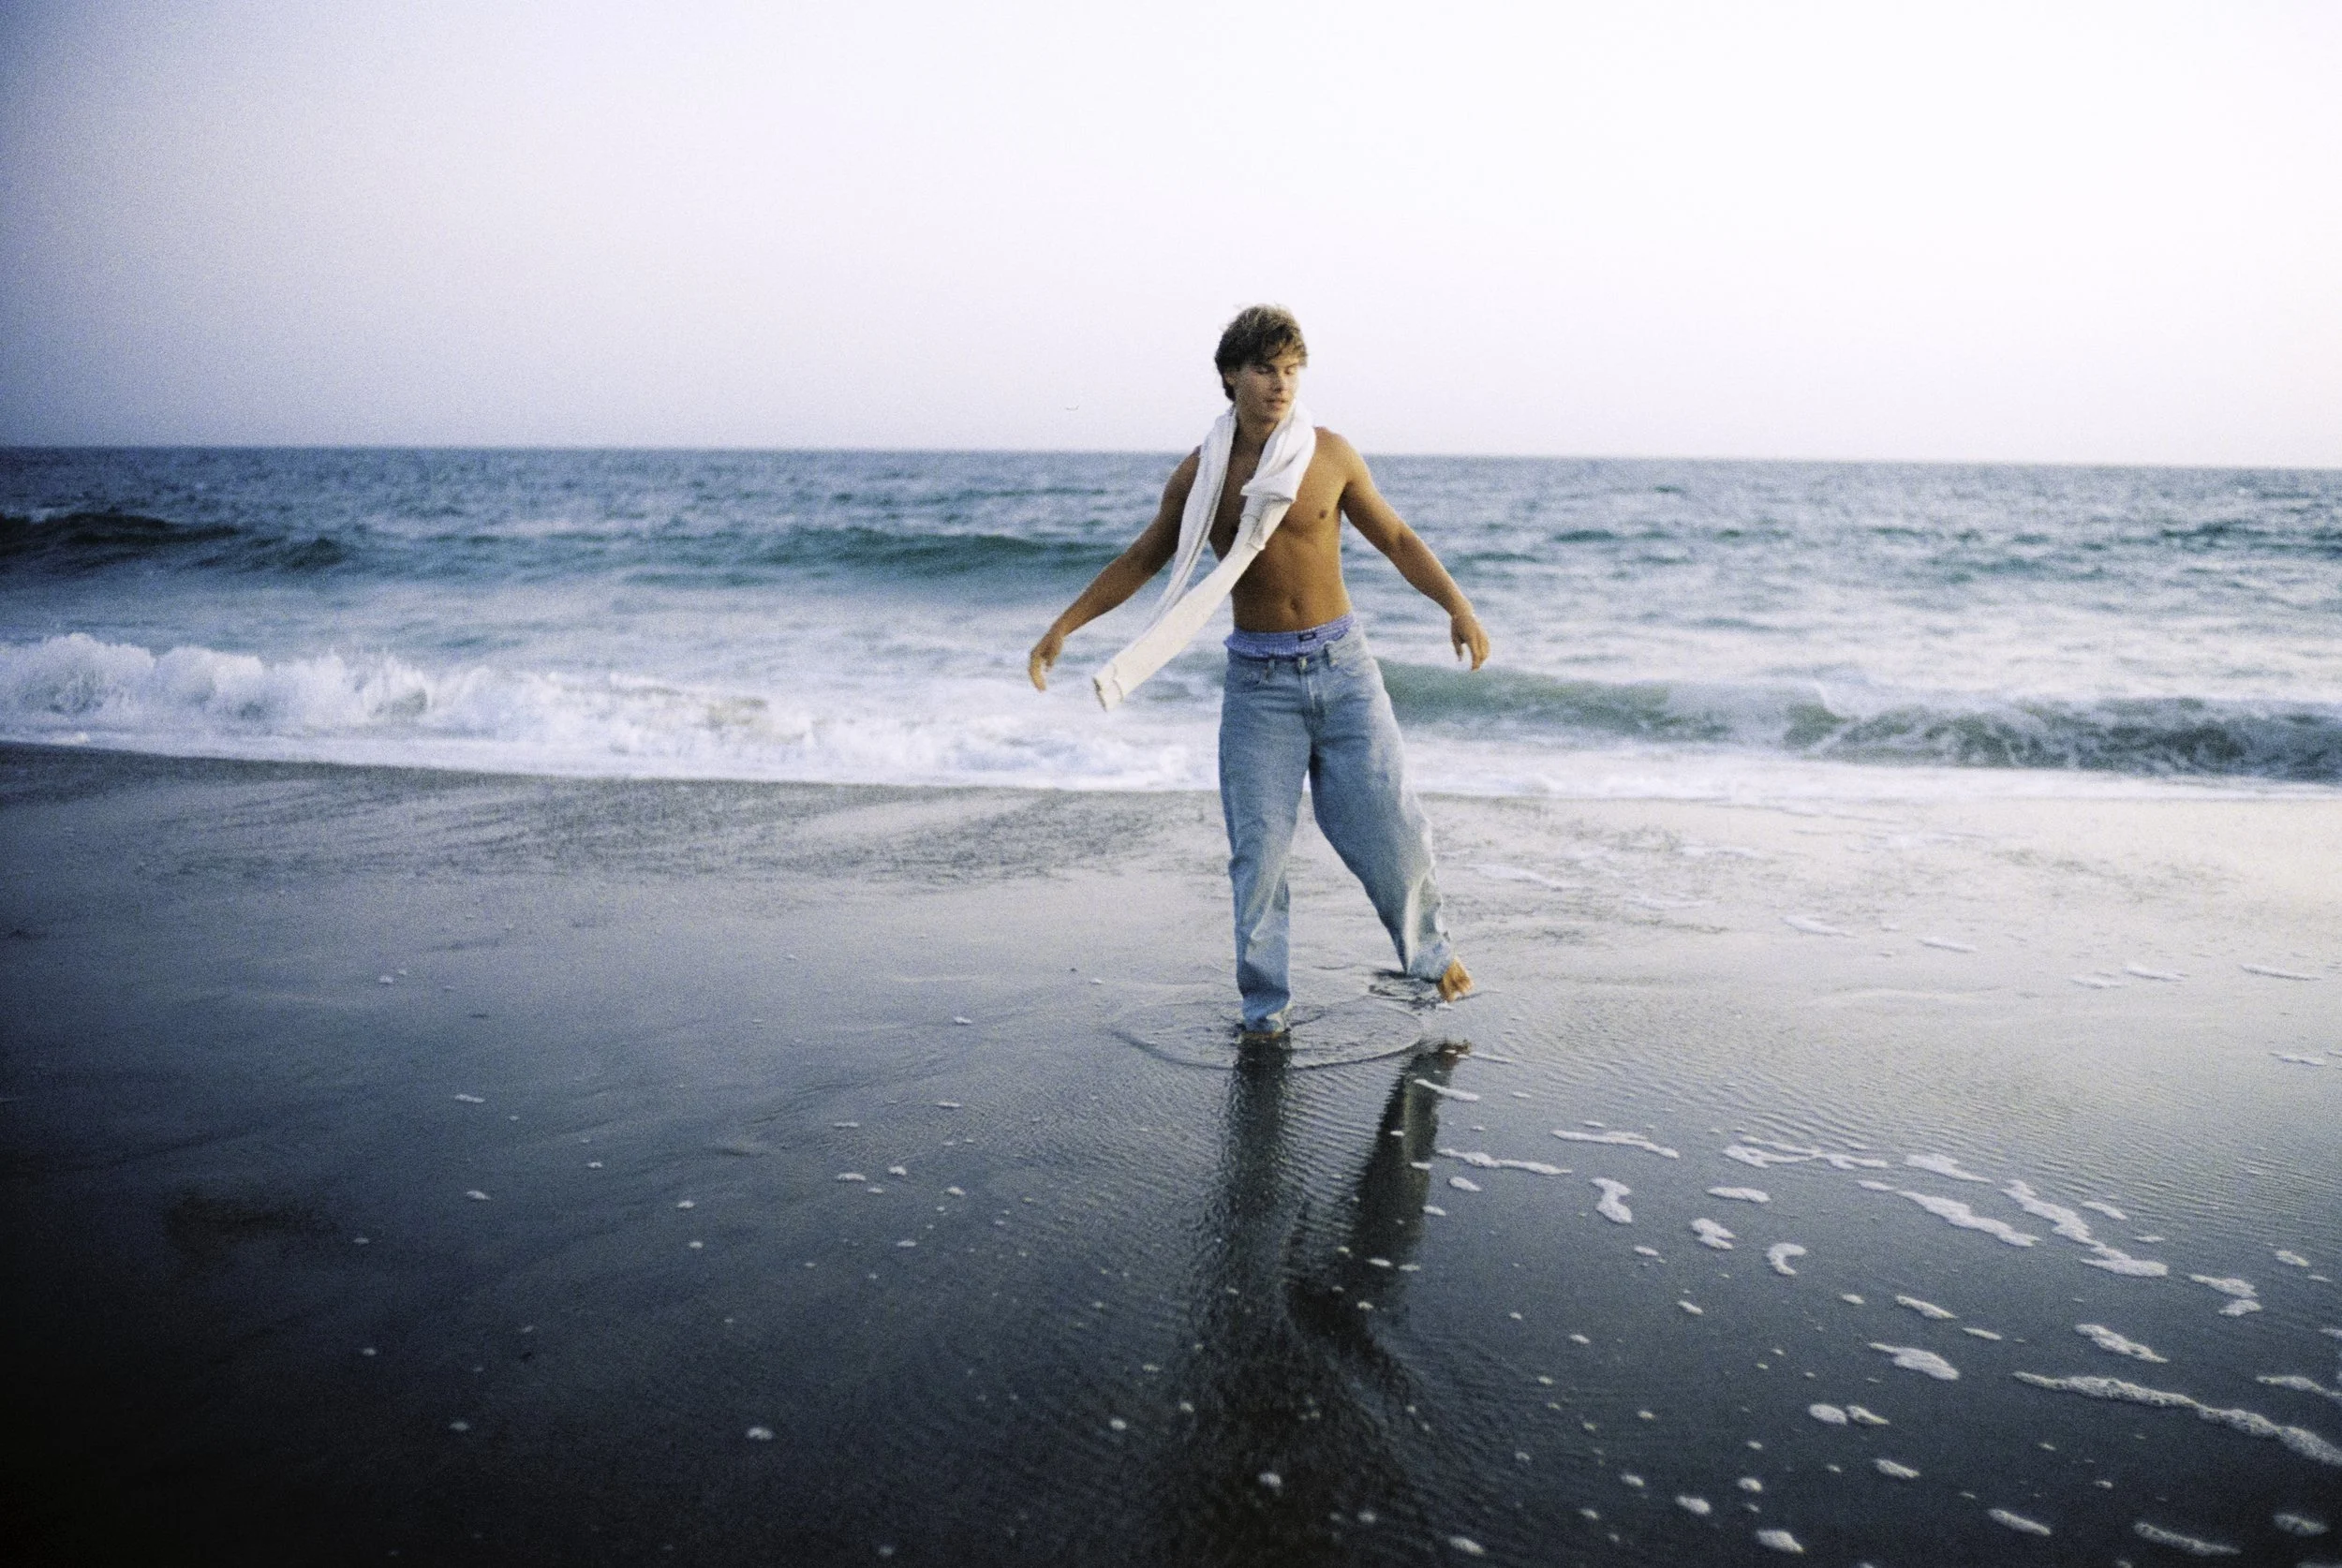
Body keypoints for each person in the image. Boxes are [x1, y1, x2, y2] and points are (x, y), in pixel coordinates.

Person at [1028, 305, 1488, 1043]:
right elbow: (1144, 558)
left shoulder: (1329, 455)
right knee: (1259, 855)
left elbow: (1396, 537)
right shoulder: (1201, 475)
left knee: (1392, 827)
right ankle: (1264, 1010)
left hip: (1345, 671)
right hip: (1258, 687)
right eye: (1266, 369)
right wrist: (1064, 628)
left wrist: (1457, 606)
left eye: (1292, 370)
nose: (1281, 385)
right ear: (1230, 377)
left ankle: (1430, 959)